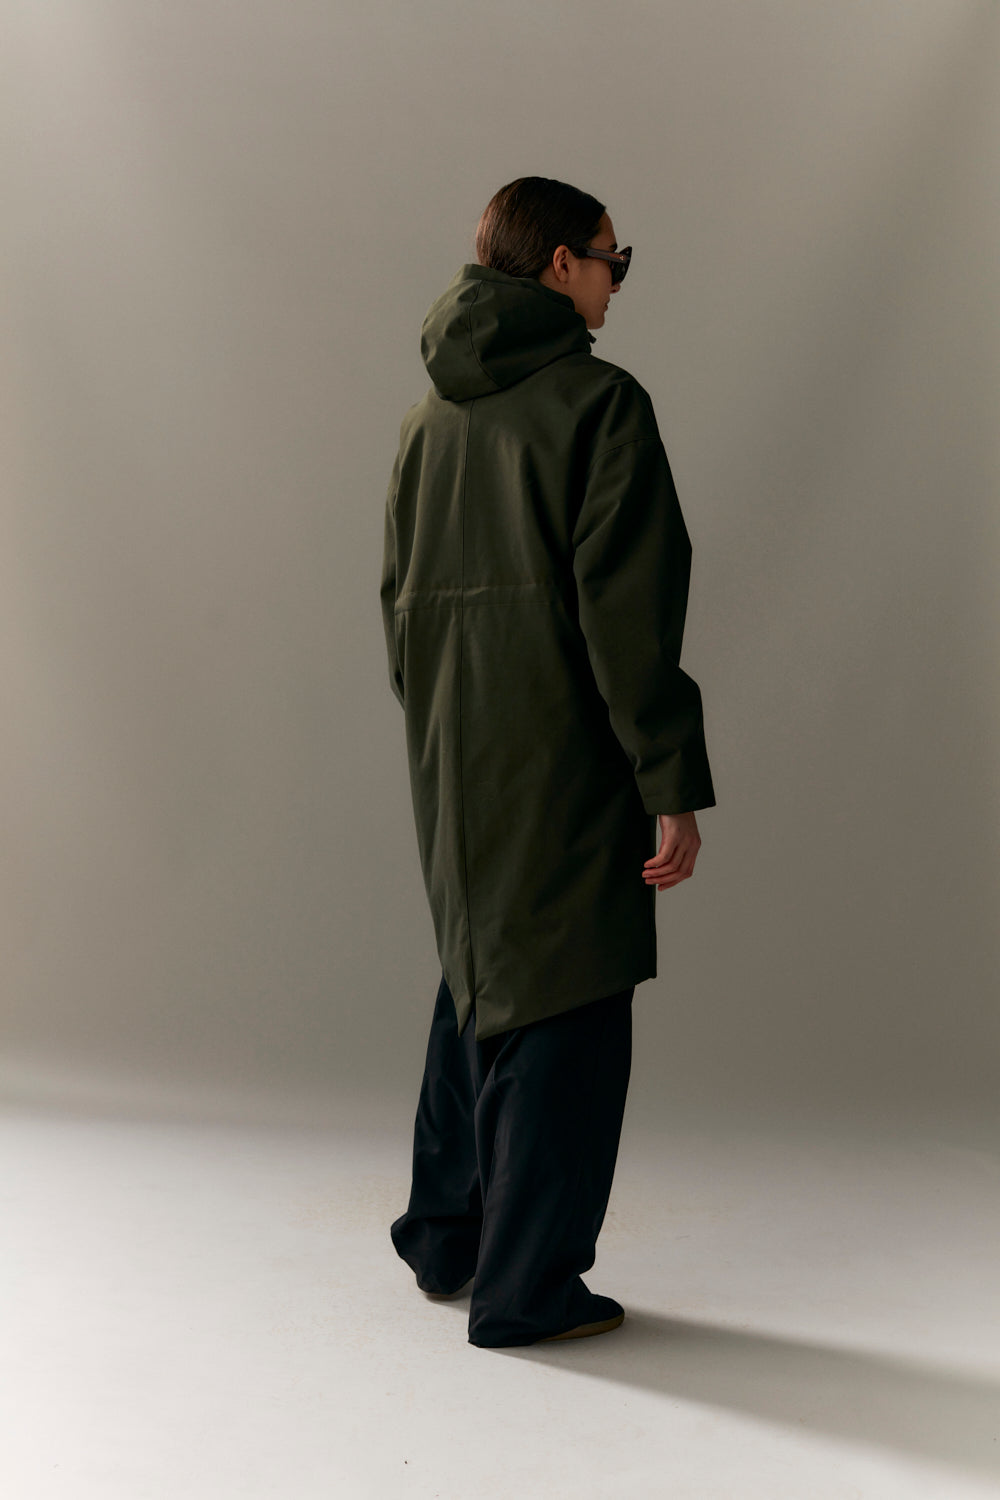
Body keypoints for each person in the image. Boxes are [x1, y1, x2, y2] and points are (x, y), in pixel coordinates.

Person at [380, 176, 716, 1348]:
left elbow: (398, 607)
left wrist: (442, 727)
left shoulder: (426, 422)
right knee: (565, 1000)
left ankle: (446, 1238)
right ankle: (526, 1291)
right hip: (566, 750)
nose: (617, 284)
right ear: (561, 264)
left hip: (452, 753)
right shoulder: (598, 404)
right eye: (612, 261)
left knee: (480, 974)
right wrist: (668, 781)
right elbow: (629, 617)